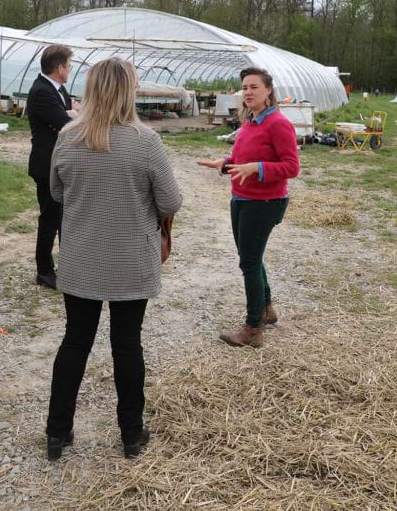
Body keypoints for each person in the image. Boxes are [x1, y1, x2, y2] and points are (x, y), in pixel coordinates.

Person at [45, 57, 182, 461]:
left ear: (90, 90)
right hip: (130, 259)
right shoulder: (145, 141)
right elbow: (172, 200)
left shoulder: (68, 137)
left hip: (81, 257)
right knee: (127, 345)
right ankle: (131, 434)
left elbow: (56, 191)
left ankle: (57, 432)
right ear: (130, 91)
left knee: (75, 341)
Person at [198, 67, 300, 349]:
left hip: (264, 203)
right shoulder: (252, 121)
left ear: (268, 91)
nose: (248, 92)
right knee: (250, 257)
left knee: (250, 262)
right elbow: (243, 157)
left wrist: (257, 168)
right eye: (245, 87)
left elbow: (292, 167)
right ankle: (266, 309)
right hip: (242, 198)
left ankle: (254, 328)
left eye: (254, 86)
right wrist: (226, 162)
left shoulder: (278, 123)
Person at [26, 45, 78, 289]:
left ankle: (67, 265)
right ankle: (44, 271)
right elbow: (64, 122)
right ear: (59, 68)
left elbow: (65, 119)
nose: (69, 70)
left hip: (61, 163)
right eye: (68, 65)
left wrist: (69, 114)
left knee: (64, 217)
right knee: (50, 218)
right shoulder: (41, 91)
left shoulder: (59, 89)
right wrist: (69, 115)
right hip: (46, 165)